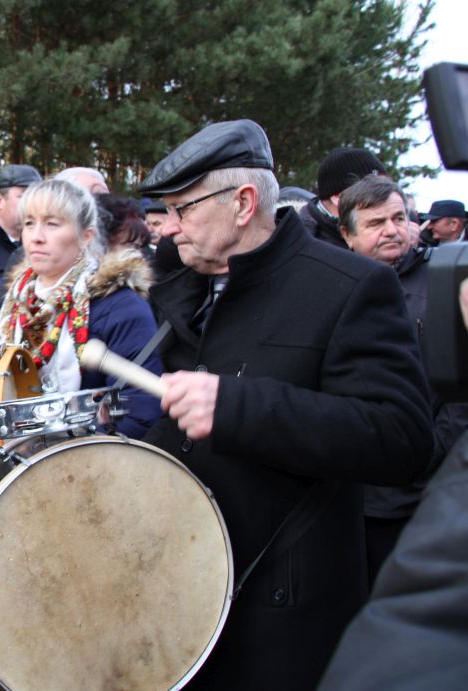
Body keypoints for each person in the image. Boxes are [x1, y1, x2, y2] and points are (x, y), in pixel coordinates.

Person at [136, 119, 433, 690]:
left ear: (243, 202)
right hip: (191, 587)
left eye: (183, 209)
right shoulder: (184, 287)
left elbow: (401, 437)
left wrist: (238, 407)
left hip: (283, 606)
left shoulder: (349, 287)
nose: (170, 231)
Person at [337, 175, 468, 584]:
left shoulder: (444, 284)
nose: (392, 230)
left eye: (399, 218)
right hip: (350, 497)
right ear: (347, 234)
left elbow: (462, 393)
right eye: (376, 223)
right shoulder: (331, 289)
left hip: (423, 490)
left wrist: (425, 454)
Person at [0, 178, 162, 439]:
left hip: (92, 466)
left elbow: (142, 411)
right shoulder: (15, 303)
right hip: (20, 463)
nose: (36, 237)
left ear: (86, 236)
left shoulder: (120, 306)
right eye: (29, 223)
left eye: (52, 223)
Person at [297, 146, 387, 248]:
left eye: (387, 187)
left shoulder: (403, 231)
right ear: (338, 196)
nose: (386, 197)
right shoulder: (299, 242)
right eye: (373, 191)